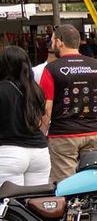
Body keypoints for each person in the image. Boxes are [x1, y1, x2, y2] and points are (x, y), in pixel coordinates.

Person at [40, 24, 97, 181]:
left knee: (64, 184)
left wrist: (42, 132)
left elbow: (47, 107)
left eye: (53, 41)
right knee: (94, 180)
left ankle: (70, 206)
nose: (51, 45)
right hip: (94, 133)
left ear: (60, 42)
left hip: (63, 136)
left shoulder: (51, 69)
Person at [0, 46, 50, 186]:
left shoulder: (2, 89)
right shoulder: (35, 89)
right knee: (36, 204)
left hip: (8, 153)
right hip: (39, 152)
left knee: (9, 204)